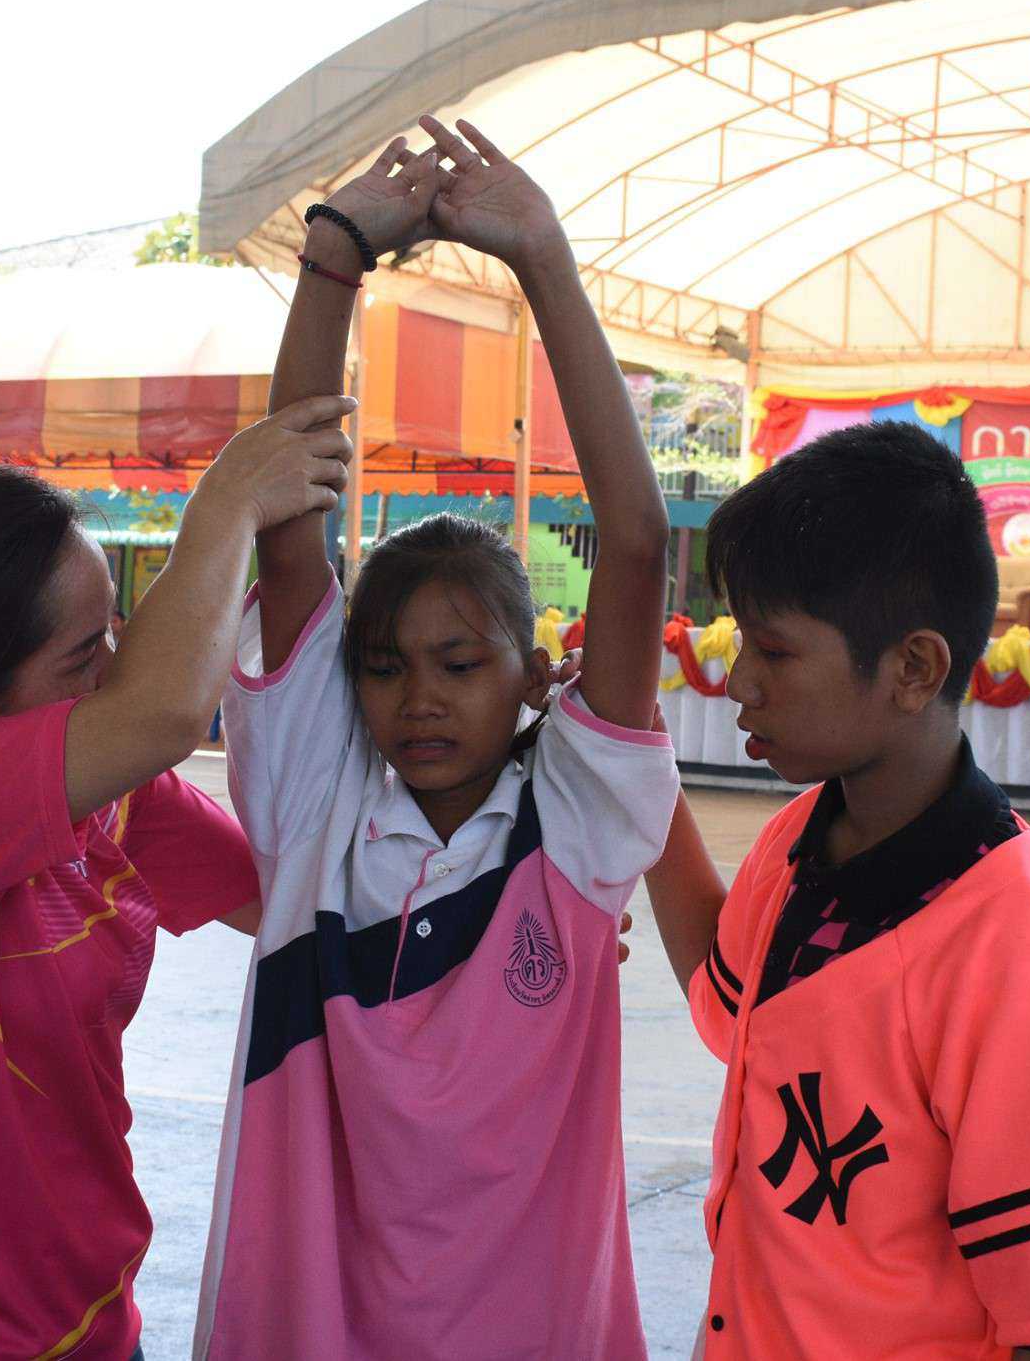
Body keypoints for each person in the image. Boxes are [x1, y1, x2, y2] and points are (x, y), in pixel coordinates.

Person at [194, 119, 678, 1361]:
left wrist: (544, 261)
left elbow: (634, 543)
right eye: (384, 666)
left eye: (461, 666)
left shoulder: (578, 824)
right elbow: (288, 528)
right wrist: (332, 257)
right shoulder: (312, 801)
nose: (419, 697)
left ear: (535, 676)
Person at [0, 402, 352, 1360]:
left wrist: (515, 885)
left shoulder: (108, 794)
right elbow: (165, 711)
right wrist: (225, 506)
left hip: (93, 1316)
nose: (115, 667)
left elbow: (299, 900)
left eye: (112, 631)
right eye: (85, 655)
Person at [642, 425, 1030, 1360]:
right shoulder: (800, 839)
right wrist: (636, 769)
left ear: (914, 668)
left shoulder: (1012, 936)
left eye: (774, 650)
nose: (739, 681)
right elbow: (729, 997)